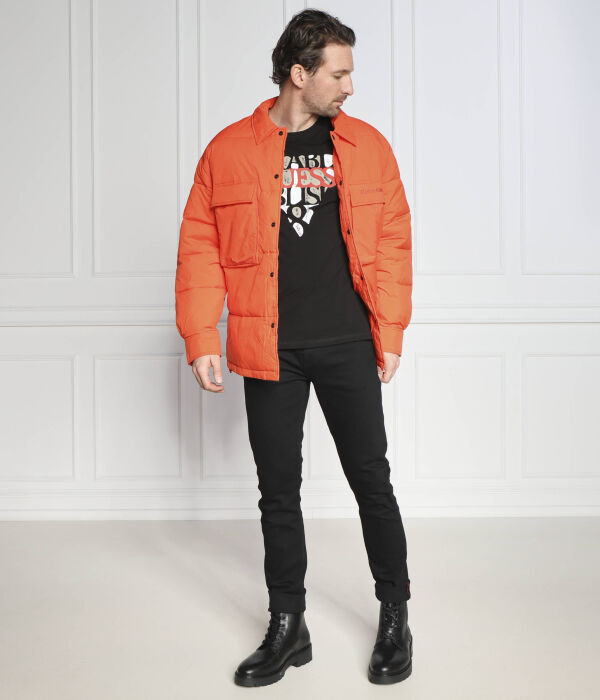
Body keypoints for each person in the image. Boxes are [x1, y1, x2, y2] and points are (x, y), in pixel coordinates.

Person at [175, 8, 413, 688]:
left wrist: (390, 329)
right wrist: (201, 334)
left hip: (346, 341)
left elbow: (393, 240)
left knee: (372, 482)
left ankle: (394, 614)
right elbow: (200, 246)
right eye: (339, 74)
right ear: (300, 74)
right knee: (277, 492)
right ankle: (288, 623)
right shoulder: (228, 151)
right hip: (268, 346)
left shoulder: (367, 147)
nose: (350, 87)